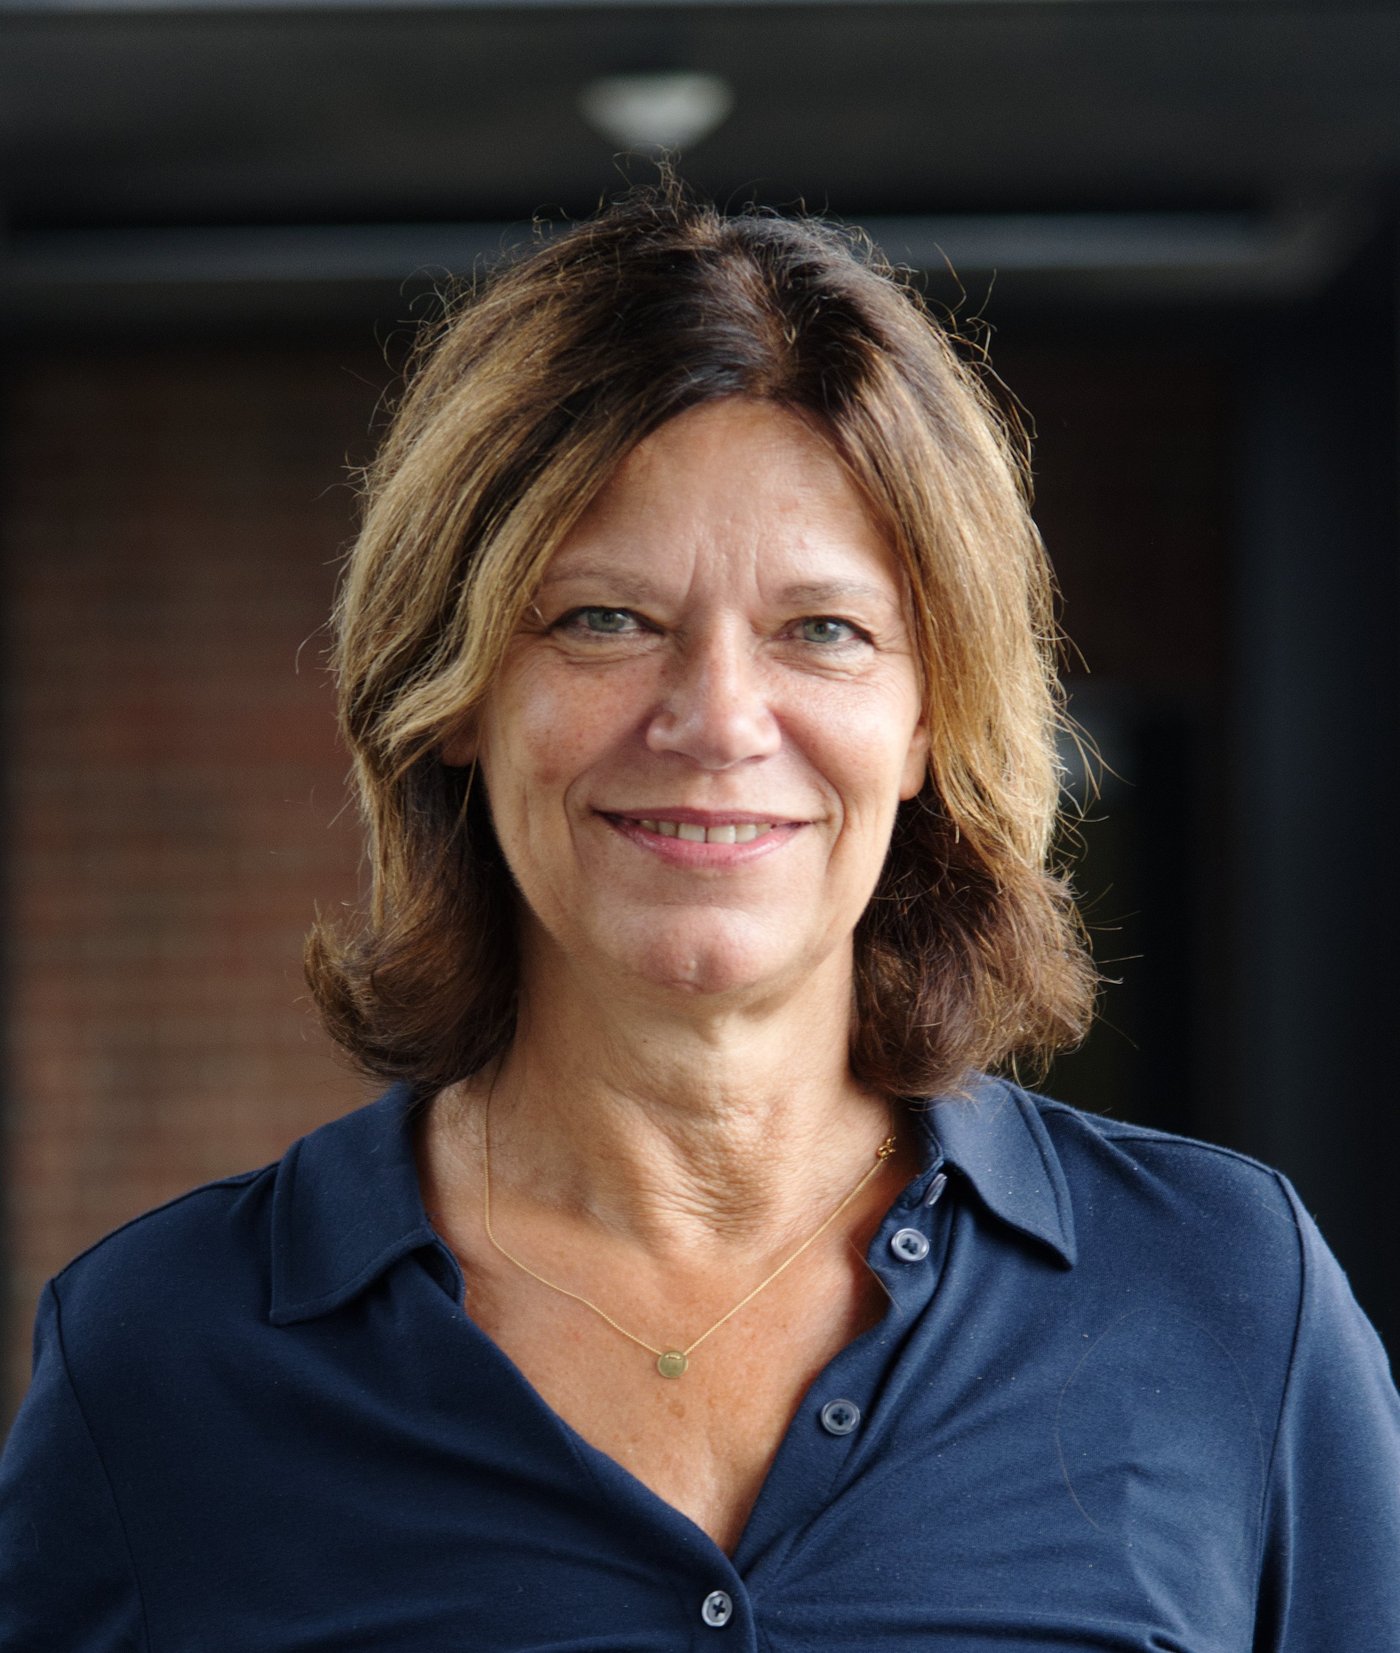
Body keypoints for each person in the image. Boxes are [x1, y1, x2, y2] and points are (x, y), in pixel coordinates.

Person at [2, 179, 1397, 1652]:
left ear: (934, 717)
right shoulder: (162, 1358)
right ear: (460, 689)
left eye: (824, 631)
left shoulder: (1228, 1297)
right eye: (604, 617)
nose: (719, 719)